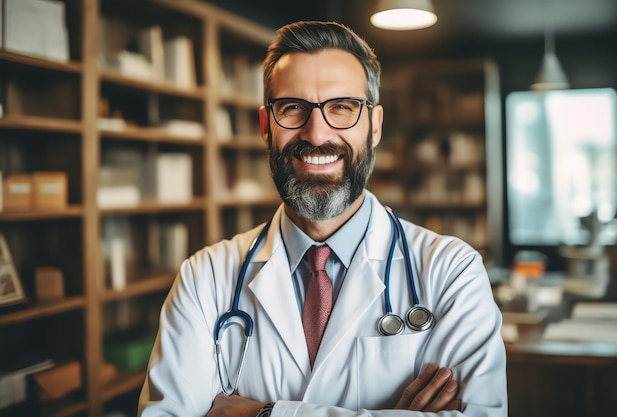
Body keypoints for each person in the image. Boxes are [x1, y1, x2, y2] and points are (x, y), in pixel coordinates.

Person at [138, 21, 507, 417]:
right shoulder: (205, 279)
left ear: (375, 126)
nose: (316, 133)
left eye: (342, 108)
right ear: (266, 126)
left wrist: (260, 414)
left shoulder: (452, 271)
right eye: (293, 108)